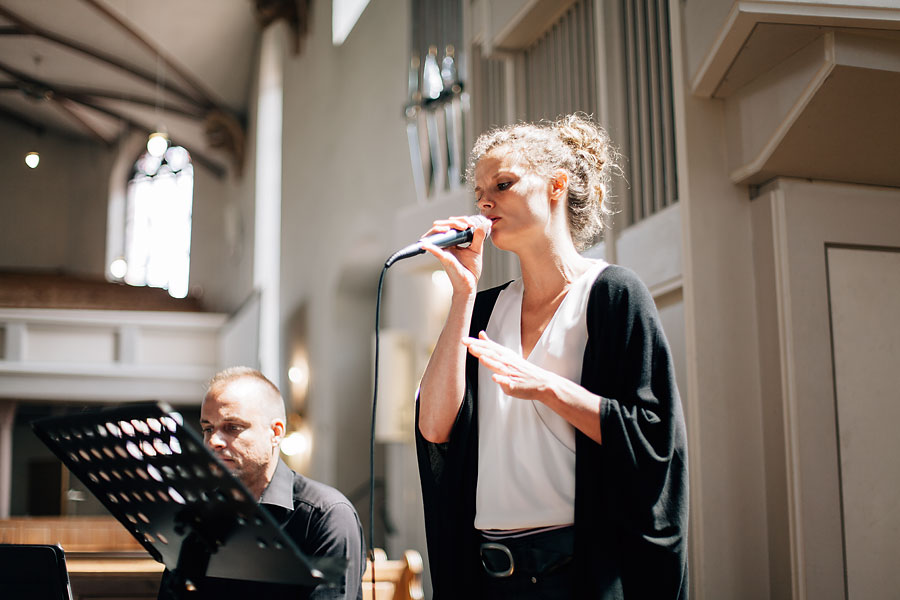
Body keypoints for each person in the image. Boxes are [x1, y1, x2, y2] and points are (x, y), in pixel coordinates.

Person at [415, 114, 689, 598]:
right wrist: (462, 294)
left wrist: (545, 385)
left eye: (502, 184)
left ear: (556, 186)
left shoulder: (612, 295)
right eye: (479, 191)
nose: (484, 201)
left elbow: (653, 435)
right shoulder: (482, 308)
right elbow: (435, 429)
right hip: (489, 575)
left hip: (580, 574)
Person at [158, 367, 365, 600]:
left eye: (232, 427)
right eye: (208, 428)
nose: (213, 441)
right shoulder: (202, 515)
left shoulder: (327, 515)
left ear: (275, 433)